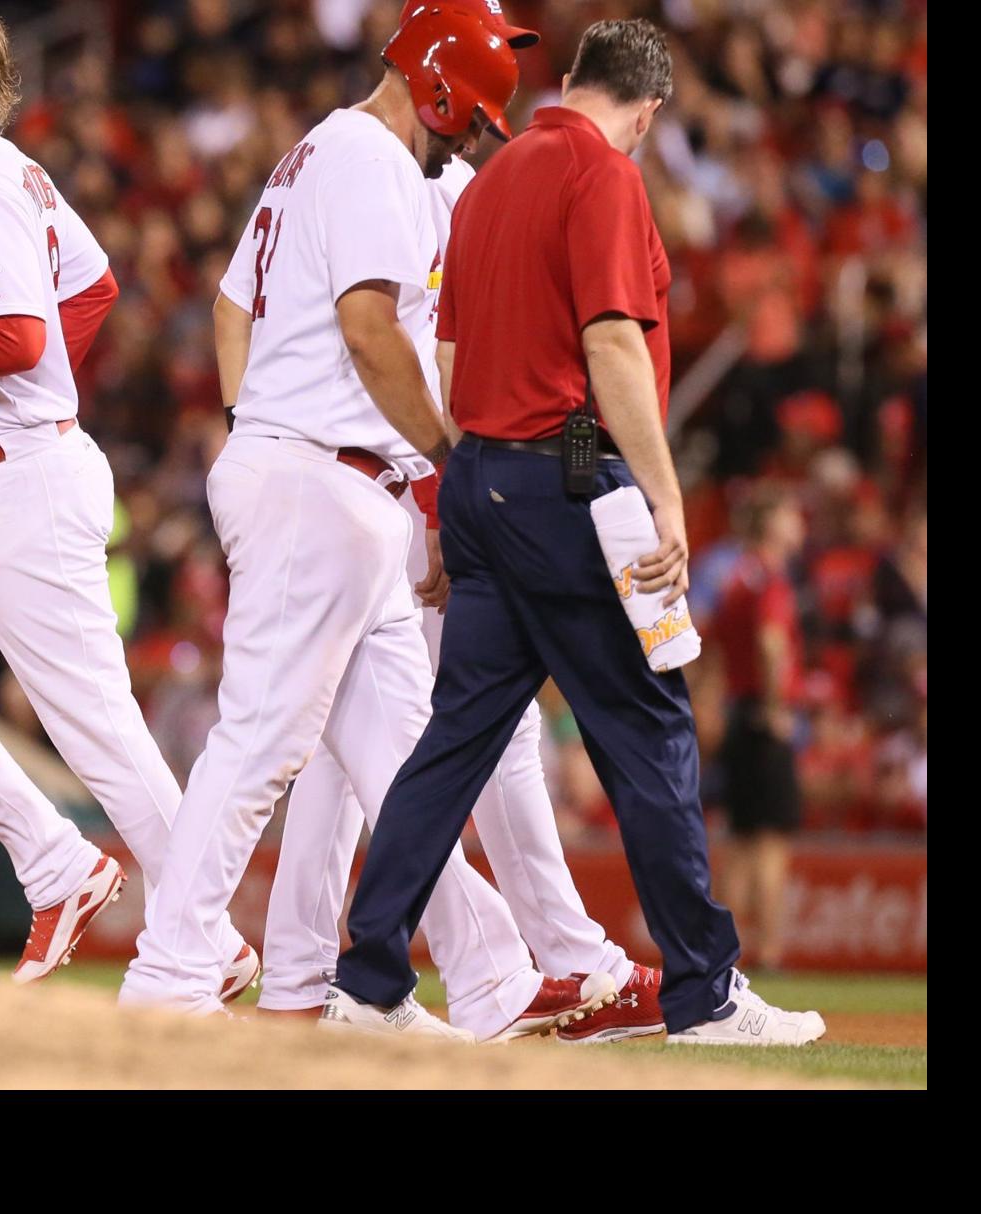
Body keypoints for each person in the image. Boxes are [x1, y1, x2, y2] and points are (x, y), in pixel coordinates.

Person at [121, 4, 618, 1041]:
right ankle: (172, 966)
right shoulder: (386, 163)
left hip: (349, 480)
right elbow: (380, 331)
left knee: (406, 756)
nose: (479, 135)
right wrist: (443, 473)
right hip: (353, 477)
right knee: (273, 738)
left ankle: (487, 975)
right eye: (474, 114)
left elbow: (233, 308)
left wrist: (255, 437)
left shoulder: (326, 152)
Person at [329, 18, 826, 1046]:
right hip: (566, 481)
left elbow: (454, 364)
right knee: (650, 728)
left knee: (455, 741)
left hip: (481, 477)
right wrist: (666, 496)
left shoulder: (489, 179)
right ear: (647, 110)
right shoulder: (603, 174)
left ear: (564, 81)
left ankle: (369, 978)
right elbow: (611, 340)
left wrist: (467, 495)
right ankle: (705, 990)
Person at [258, 0, 664, 1046]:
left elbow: (250, 309)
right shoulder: (546, 183)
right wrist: (594, 490)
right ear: (646, 114)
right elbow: (558, 376)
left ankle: (308, 974)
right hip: (465, 484)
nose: (487, 119)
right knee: (485, 734)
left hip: (428, 479)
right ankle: (564, 963)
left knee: (350, 734)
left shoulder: (472, 183)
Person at [0, 0, 256, 996]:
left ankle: (203, 933)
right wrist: (1, 391)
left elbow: (23, 335)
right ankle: (60, 866)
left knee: (100, 729)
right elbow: (94, 286)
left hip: (19, 483)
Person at [711, 484, 806, 971]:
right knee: (771, 841)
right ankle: (768, 950)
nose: (799, 523)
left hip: (737, 715)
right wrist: (776, 707)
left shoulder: (736, 579)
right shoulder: (770, 581)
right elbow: (772, 643)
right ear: (772, 524)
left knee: (742, 840)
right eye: (791, 513)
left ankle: (724, 951)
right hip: (763, 720)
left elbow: (713, 646)